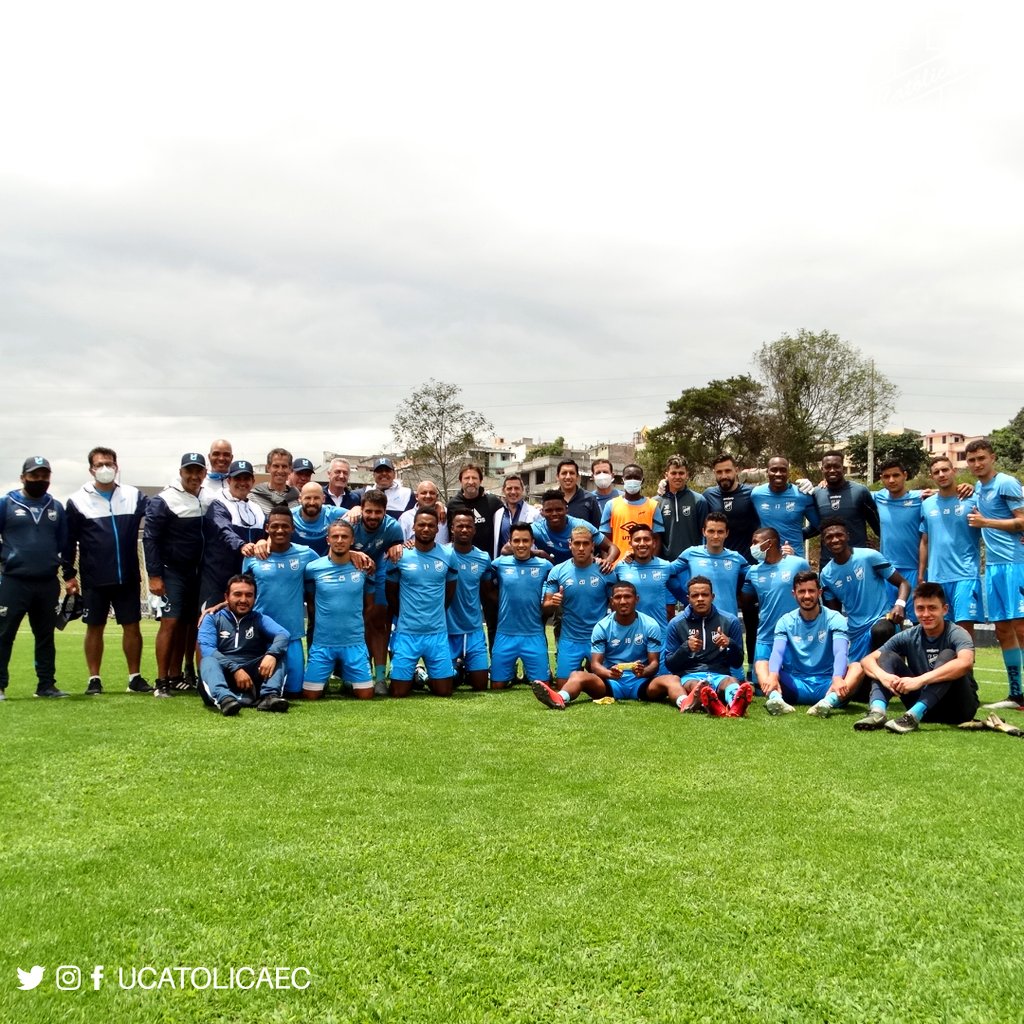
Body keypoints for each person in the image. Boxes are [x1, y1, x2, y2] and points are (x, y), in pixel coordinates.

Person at [65, 446, 150, 694]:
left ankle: (134, 677)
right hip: (95, 577)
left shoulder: (134, 495)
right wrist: (69, 574)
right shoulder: (77, 500)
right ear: (91, 468)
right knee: (94, 626)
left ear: (117, 466)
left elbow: (156, 519)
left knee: (132, 625)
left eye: (109, 464)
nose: (105, 468)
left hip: (128, 575)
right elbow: (68, 541)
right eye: (100, 464)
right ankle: (94, 679)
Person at [531, 581, 688, 711]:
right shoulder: (602, 626)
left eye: (627, 597)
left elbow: (654, 663)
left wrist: (644, 671)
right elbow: (595, 665)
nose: (623, 601)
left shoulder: (650, 624)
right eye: (618, 597)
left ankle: (684, 702)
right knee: (577, 676)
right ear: (611, 601)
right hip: (612, 683)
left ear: (636, 599)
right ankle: (559, 698)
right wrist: (608, 673)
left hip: (641, 682)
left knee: (672, 679)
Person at [0, 456, 79, 699]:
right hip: (13, 581)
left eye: (45, 476)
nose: (40, 480)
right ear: (23, 477)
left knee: (45, 635)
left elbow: (66, 544)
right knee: (4, 634)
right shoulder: (6, 503)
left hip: (46, 581)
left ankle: (46, 685)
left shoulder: (55, 507)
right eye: (35, 476)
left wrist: (69, 575)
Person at [854, 582, 978, 733]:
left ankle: (913, 716)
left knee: (949, 655)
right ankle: (877, 712)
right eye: (920, 608)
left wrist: (919, 680)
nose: (926, 614)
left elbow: (966, 663)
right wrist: (884, 676)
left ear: (944, 610)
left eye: (932, 608)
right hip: (924, 706)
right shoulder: (910, 635)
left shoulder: (957, 633)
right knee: (887, 656)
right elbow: (867, 660)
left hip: (957, 708)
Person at [965, 437, 1024, 710]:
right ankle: (1016, 695)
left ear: (993, 457)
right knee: (1002, 630)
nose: (977, 464)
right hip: (993, 568)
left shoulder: (1006, 482)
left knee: (1022, 628)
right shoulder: (979, 486)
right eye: (972, 460)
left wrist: (986, 522)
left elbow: (1023, 520)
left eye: (981, 458)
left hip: (1016, 563)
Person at [143, 453, 209, 697]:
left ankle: (182, 673)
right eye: (189, 471)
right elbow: (150, 539)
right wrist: (155, 575)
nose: (194, 476)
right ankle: (161, 682)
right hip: (173, 572)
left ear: (204, 473)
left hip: (198, 572)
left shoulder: (206, 496)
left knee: (192, 624)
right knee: (170, 623)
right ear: (180, 472)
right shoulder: (164, 500)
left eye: (198, 471)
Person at [242, 508, 317, 698]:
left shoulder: (305, 554)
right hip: (260, 636)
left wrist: (353, 554)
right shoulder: (252, 557)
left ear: (292, 528)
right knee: (254, 690)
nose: (280, 530)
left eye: (285, 526)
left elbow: (331, 563)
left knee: (294, 692)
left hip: (291, 635)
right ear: (267, 528)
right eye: (274, 526)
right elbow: (241, 590)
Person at [385, 508, 459, 697]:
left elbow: (450, 592)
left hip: (437, 633)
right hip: (407, 633)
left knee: (444, 692)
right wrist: (403, 615)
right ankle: (416, 672)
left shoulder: (448, 555)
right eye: (421, 525)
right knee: (398, 693)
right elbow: (391, 593)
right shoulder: (399, 555)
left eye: (430, 525)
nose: (426, 529)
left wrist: (437, 613)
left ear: (437, 529)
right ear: (414, 527)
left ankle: (424, 676)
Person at [817, 516, 909, 663]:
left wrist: (899, 605)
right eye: (829, 537)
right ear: (824, 541)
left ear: (847, 536)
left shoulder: (869, 556)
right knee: (860, 679)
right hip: (855, 632)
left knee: (881, 632)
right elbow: (834, 614)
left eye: (839, 535)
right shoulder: (826, 575)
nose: (835, 540)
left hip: (882, 621)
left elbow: (903, 583)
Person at [197, 574, 289, 716]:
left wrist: (271, 654)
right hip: (224, 674)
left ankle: (269, 697)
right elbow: (208, 649)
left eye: (249, 595)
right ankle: (225, 699)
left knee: (278, 655)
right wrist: (235, 669)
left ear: (255, 598)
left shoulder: (260, 619)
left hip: (253, 675)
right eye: (237, 594)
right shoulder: (212, 619)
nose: (243, 600)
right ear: (226, 597)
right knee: (208, 661)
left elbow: (283, 635)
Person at [302, 520, 376, 699]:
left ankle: (348, 681)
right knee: (310, 696)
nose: (340, 540)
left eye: (344, 537)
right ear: (328, 539)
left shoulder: (363, 567)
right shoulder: (313, 569)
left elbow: (369, 605)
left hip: (354, 643)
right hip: (323, 643)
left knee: (366, 695)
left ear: (352, 540)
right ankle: (324, 679)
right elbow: (311, 603)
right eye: (335, 536)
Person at [761, 569, 849, 715]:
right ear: (794, 594)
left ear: (819, 593)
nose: (807, 596)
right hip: (795, 684)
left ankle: (828, 702)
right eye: (802, 591)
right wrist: (773, 676)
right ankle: (777, 700)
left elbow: (841, 651)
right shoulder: (785, 622)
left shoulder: (835, 618)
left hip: (828, 685)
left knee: (857, 667)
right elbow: (777, 652)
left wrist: (838, 678)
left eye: (811, 591)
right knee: (763, 664)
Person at [661, 576, 751, 716]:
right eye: (695, 595)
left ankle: (735, 704)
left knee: (731, 681)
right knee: (697, 685)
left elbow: (737, 662)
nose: (700, 599)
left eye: (705, 594)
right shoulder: (676, 624)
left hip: (720, 674)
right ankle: (704, 699)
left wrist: (730, 644)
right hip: (690, 675)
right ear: (688, 598)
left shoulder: (730, 621)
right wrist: (686, 648)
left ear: (712, 597)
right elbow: (670, 665)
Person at [740, 527, 811, 701]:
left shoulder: (797, 564)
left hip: (795, 635)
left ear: (769, 543)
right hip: (766, 635)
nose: (752, 547)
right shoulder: (754, 571)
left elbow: (811, 592)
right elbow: (746, 600)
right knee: (760, 688)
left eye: (756, 542)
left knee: (793, 682)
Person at [918, 455, 982, 638]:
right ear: (932, 477)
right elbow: (925, 540)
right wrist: (922, 575)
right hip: (937, 577)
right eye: (936, 472)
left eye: (945, 470)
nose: (941, 474)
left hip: (965, 575)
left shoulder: (972, 499)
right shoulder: (927, 504)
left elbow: (993, 522)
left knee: (963, 633)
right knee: (941, 634)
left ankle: (967, 667)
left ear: (954, 471)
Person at [484, 522, 553, 689]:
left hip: (533, 634)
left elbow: (554, 589)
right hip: (505, 634)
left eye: (525, 540)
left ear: (532, 541)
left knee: (542, 686)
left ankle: (541, 671)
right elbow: (487, 587)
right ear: (510, 542)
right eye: (516, 541)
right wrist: (501, 602)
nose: (521, 545)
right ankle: (509, 671)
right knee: (497, 686)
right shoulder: (499, 564)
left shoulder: (545, 566)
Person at [543, 527, 614, 685]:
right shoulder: (558, 571)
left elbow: (615, 607)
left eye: (585, 543)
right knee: (563, 685)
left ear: (592, 546)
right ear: (570, 544)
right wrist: (553, 603)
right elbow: (546, 606)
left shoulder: (605, 571)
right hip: (570, 638)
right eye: (577, 543)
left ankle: (588, 672)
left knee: (608, 686)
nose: (581, 548)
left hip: (597, 639)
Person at [352, 488, 405, 693]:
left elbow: (397, 546)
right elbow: (335, 548)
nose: (373, 516)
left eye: (378, 512)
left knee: (379, 622)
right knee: (357, 623)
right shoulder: (351, 522)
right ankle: (357, 673)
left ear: (385, 512)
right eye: (369, 511)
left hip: (379, 571)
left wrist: (397, 546)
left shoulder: (392, 527)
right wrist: (353, 553)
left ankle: (381, 677)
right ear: (361, 510)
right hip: (352, 572)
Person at [200, 459, 266, 611]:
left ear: (253, 481)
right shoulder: (218, 503)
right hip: (217, 580)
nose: (242, 483)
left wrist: (263, 540)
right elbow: (223, 530)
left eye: (246, 478)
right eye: (237, 478)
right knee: (209, 623)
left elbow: (265, 534)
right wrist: (241, 545)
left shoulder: (256, 508)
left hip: (245, 582)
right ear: (229, 480)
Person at [446, 510, 492, 690]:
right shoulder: (441, 553)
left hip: (473, 630)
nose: (464, 530)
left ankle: (462, 669)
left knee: (480, 685)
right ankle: (455, 669)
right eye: (460, 526)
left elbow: (488, 592)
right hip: (447, 630)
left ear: (474, 530)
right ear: (452, 529)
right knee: (445, 685)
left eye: (468, 526)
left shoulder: (483, 558)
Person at [874, 458, 924, 622]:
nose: (891, 480)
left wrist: (966, 487)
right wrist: (824, 482)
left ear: (905, 475)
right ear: (881, 478)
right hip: (888, 572)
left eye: (896, 475)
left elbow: (946, 494)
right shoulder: (877, 497)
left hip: (914, 570)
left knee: (920, 621)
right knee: (891, 621)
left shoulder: (920, 498)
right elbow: (848, 491)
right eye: (886, 476)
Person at [672, 512, 748, 617]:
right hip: (697, 620)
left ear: (727, 533)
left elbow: (756, 574)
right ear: (704, 532)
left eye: (720, 532)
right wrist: (683, 596)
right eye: (711, 531)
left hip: (728, 621)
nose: (715, 536)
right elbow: (667, 571)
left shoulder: (736, 558)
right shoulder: (690, 554)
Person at [812, 452, 880, 565]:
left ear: (843, 468)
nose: (832, 470)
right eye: (828, 467)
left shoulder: (860, 491)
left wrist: (879, 548)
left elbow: (877, 525)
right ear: (822, 469)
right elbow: (815, 527)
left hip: (858, 560)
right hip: (828, 561)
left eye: (836, 466)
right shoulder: (816, 494)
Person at [611, 524, 682, 632]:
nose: (642, 543)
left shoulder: (665, 566)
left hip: (659, 633)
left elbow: (679, 591)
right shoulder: (621, 567)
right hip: (628, 634)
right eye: (637, 540)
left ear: (654, 543)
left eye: (646, 539)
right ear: (630, 544)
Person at [530, 490, 617, 568]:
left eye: (559, 509)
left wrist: (608, 561)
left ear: (566, 509)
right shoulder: (536, 529)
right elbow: (517, 544)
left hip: (579, 574)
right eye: (549, 510)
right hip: (550, 574)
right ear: (542, 512)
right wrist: (538, 553)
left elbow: (612, 547)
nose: (554, 514)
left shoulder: (582, 526)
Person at [751, 456, 820, 553]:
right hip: (767, 558)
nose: (778, 474)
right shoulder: (757, 494)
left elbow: (819, 526)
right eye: (774, 470)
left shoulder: (802, 495)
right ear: (767, 472)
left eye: (783, 470)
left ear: (788, 472)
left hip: (794, 558)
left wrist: (802, 534)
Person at [600, 463, 664, 563]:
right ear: (623, 480)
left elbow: (657, 539)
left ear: (642, 481)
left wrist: (651, 564)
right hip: (617, 566)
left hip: (644, 566)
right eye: (629, 477)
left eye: (636, 477)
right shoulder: (611, 505)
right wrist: (608, 563)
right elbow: (604, 539)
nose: (632, 480)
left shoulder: (653, 506)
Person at [702, 453, 760, 559]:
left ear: (736, 470)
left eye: (728, 471)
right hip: (718, 559)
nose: (724, 476)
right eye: (719, 472)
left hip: (746, 560)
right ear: (714, 473)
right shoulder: (708, 495)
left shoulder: (752, 493)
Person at [657, 455, 708, 561]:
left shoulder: (699, 500)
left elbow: (705, 534)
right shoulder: (656, 502)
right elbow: (655, 537)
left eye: (681, 473)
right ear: (666, 475)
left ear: (687, 475)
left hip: (692, 562)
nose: (677, 476)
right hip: (666, 563)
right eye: (673, 473)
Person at [491, 473, 539, 559]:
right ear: (503, 490)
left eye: (516, 488)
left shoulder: (534, 513)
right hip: (503, 565)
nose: (513, 492)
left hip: (526, 564)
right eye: (509, 488)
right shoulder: (497, 514)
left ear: (522, 490)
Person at [291, 481, 344, 556]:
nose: (312, 502)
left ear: (323, 499)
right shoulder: (290, 516)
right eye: (308, 498)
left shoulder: (332, 514)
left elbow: (360, 514)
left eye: (316, 498)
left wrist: (356, 508)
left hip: (325, 564)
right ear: (300, 499)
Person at [250, 447, 300, 514]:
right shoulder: (253, 497)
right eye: (276, 466)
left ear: (290, 469)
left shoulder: (297, 499)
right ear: (268, 468)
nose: (280, 471)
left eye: (284, 466)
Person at [399, 480, 449, 545]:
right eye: (424, 493)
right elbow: (400, 545)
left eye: (432, 493)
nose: (428, 496)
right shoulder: (405, 518)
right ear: (416, 496)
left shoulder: (445, 513)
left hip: (443, 555)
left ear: (437, 497)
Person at [556, 459, 601, 527]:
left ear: (578, 477)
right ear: (557, 477)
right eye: (564, 473)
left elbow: (597, 529)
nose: (568, 477)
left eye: (572, 473)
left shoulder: (590, 499)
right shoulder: (551, 500)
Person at [199, 438, 233, 504]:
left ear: (231, 458)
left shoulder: (238, 483)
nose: (221, 458)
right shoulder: (200, 482)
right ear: (209, 456)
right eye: (216, 454)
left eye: (226, 454)